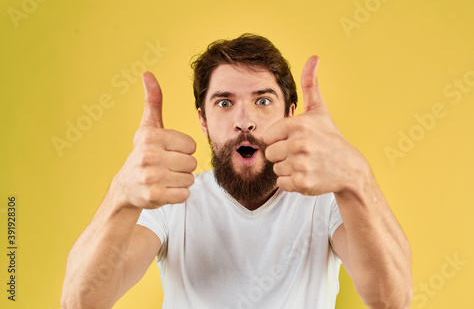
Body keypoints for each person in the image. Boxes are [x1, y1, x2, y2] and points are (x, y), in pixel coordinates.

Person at [61, 34, 412, 309]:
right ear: (203, 120)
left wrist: (357, 181)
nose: (244, 121)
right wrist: (121, 195)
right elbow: (81, 303)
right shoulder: (172, 201)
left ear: (291, 114)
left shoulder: (325, 201)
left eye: (262, 101)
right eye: (224, 103)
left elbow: (391, 300)